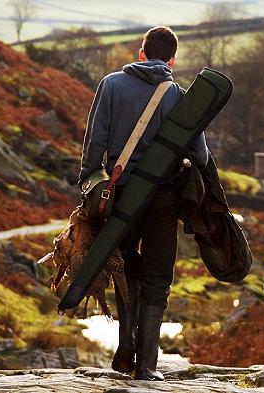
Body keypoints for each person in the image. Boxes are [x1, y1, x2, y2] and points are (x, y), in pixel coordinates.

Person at [78, 26, 208, 381]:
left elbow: (94, 144)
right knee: (157, 276)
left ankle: (124, 347)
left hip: (120, 195)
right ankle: (147, 365)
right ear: (171, 60)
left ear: (140, 53)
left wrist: (91, 185)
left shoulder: (110, 85)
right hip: (163, 198)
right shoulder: (179, 96)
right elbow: (199, 153)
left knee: (124, 269)